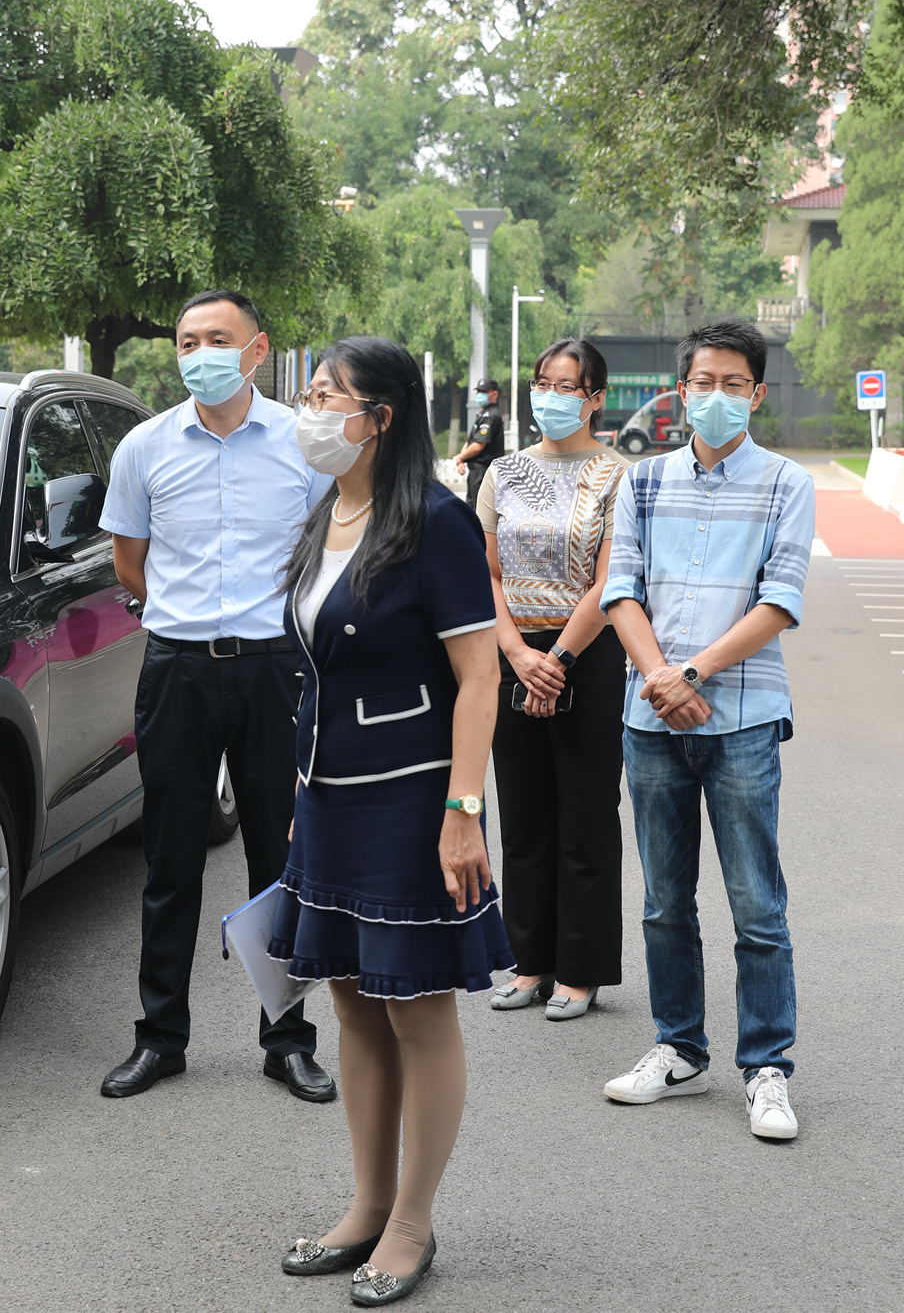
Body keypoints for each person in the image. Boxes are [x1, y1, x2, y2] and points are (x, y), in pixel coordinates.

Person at [269, 337, 507, 1306]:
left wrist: (461, 812)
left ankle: (411, 1221)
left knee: (415, 1008)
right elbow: (315, 674)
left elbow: (477, 676)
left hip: (412, 799)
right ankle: (365, 1204)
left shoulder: (435, 524)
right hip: (329, 796)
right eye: (309, 393)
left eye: (329, 396)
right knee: (350, 1004)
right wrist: (295, 797)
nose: (310, 410)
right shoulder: (325, 512)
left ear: (382, 417)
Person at [97, 289, 337, 1104]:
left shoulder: (302, 446)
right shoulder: (144, 447)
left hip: (274, 669)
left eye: (217, 338)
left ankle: (288, 1039)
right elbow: (129, 563)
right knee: (169, 860)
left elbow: (323, 557)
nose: (200, 352)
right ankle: (161, 1037)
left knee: (280, 859)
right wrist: (178, 614)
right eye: (187, 340)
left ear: (256, 348)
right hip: (178, 668)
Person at [596, 317, 814, 1141]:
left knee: (757, 903)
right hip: (649, 718)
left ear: (756, 393)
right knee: (662, 901)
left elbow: (779, 601)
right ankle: (679, 1048)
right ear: (679, 389)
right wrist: (659, 674)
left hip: (743, 719)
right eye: (702, 382)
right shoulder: (644, 482)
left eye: (733, 384)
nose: (715, 397)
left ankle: (766, 1067)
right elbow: (622, 588)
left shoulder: (786, 483)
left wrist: (693, 673)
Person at [478, 338, 626, 1021]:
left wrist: (557, 661)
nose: (553, 396)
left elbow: (609, 581)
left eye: (569, 385)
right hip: (515, 654)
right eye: (544, 382)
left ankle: (580, 968)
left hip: (586, 657)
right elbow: (487, 572)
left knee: (586, 816)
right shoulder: (502, 473)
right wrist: (516, 651)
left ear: (595, 398)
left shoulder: (619, 475)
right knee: (526, 813)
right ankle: (529, 960)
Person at [451, 377, 506, 507]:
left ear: (495, 394)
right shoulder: (483, 414)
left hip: (484, 471)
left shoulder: (491, 416)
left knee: (480, 510)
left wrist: (460, 458)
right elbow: (471, 441)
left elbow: (478, 446)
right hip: (476, 471)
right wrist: (462, 458)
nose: (480, 395)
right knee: (472, 506)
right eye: (479, 391)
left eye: (484, 392)